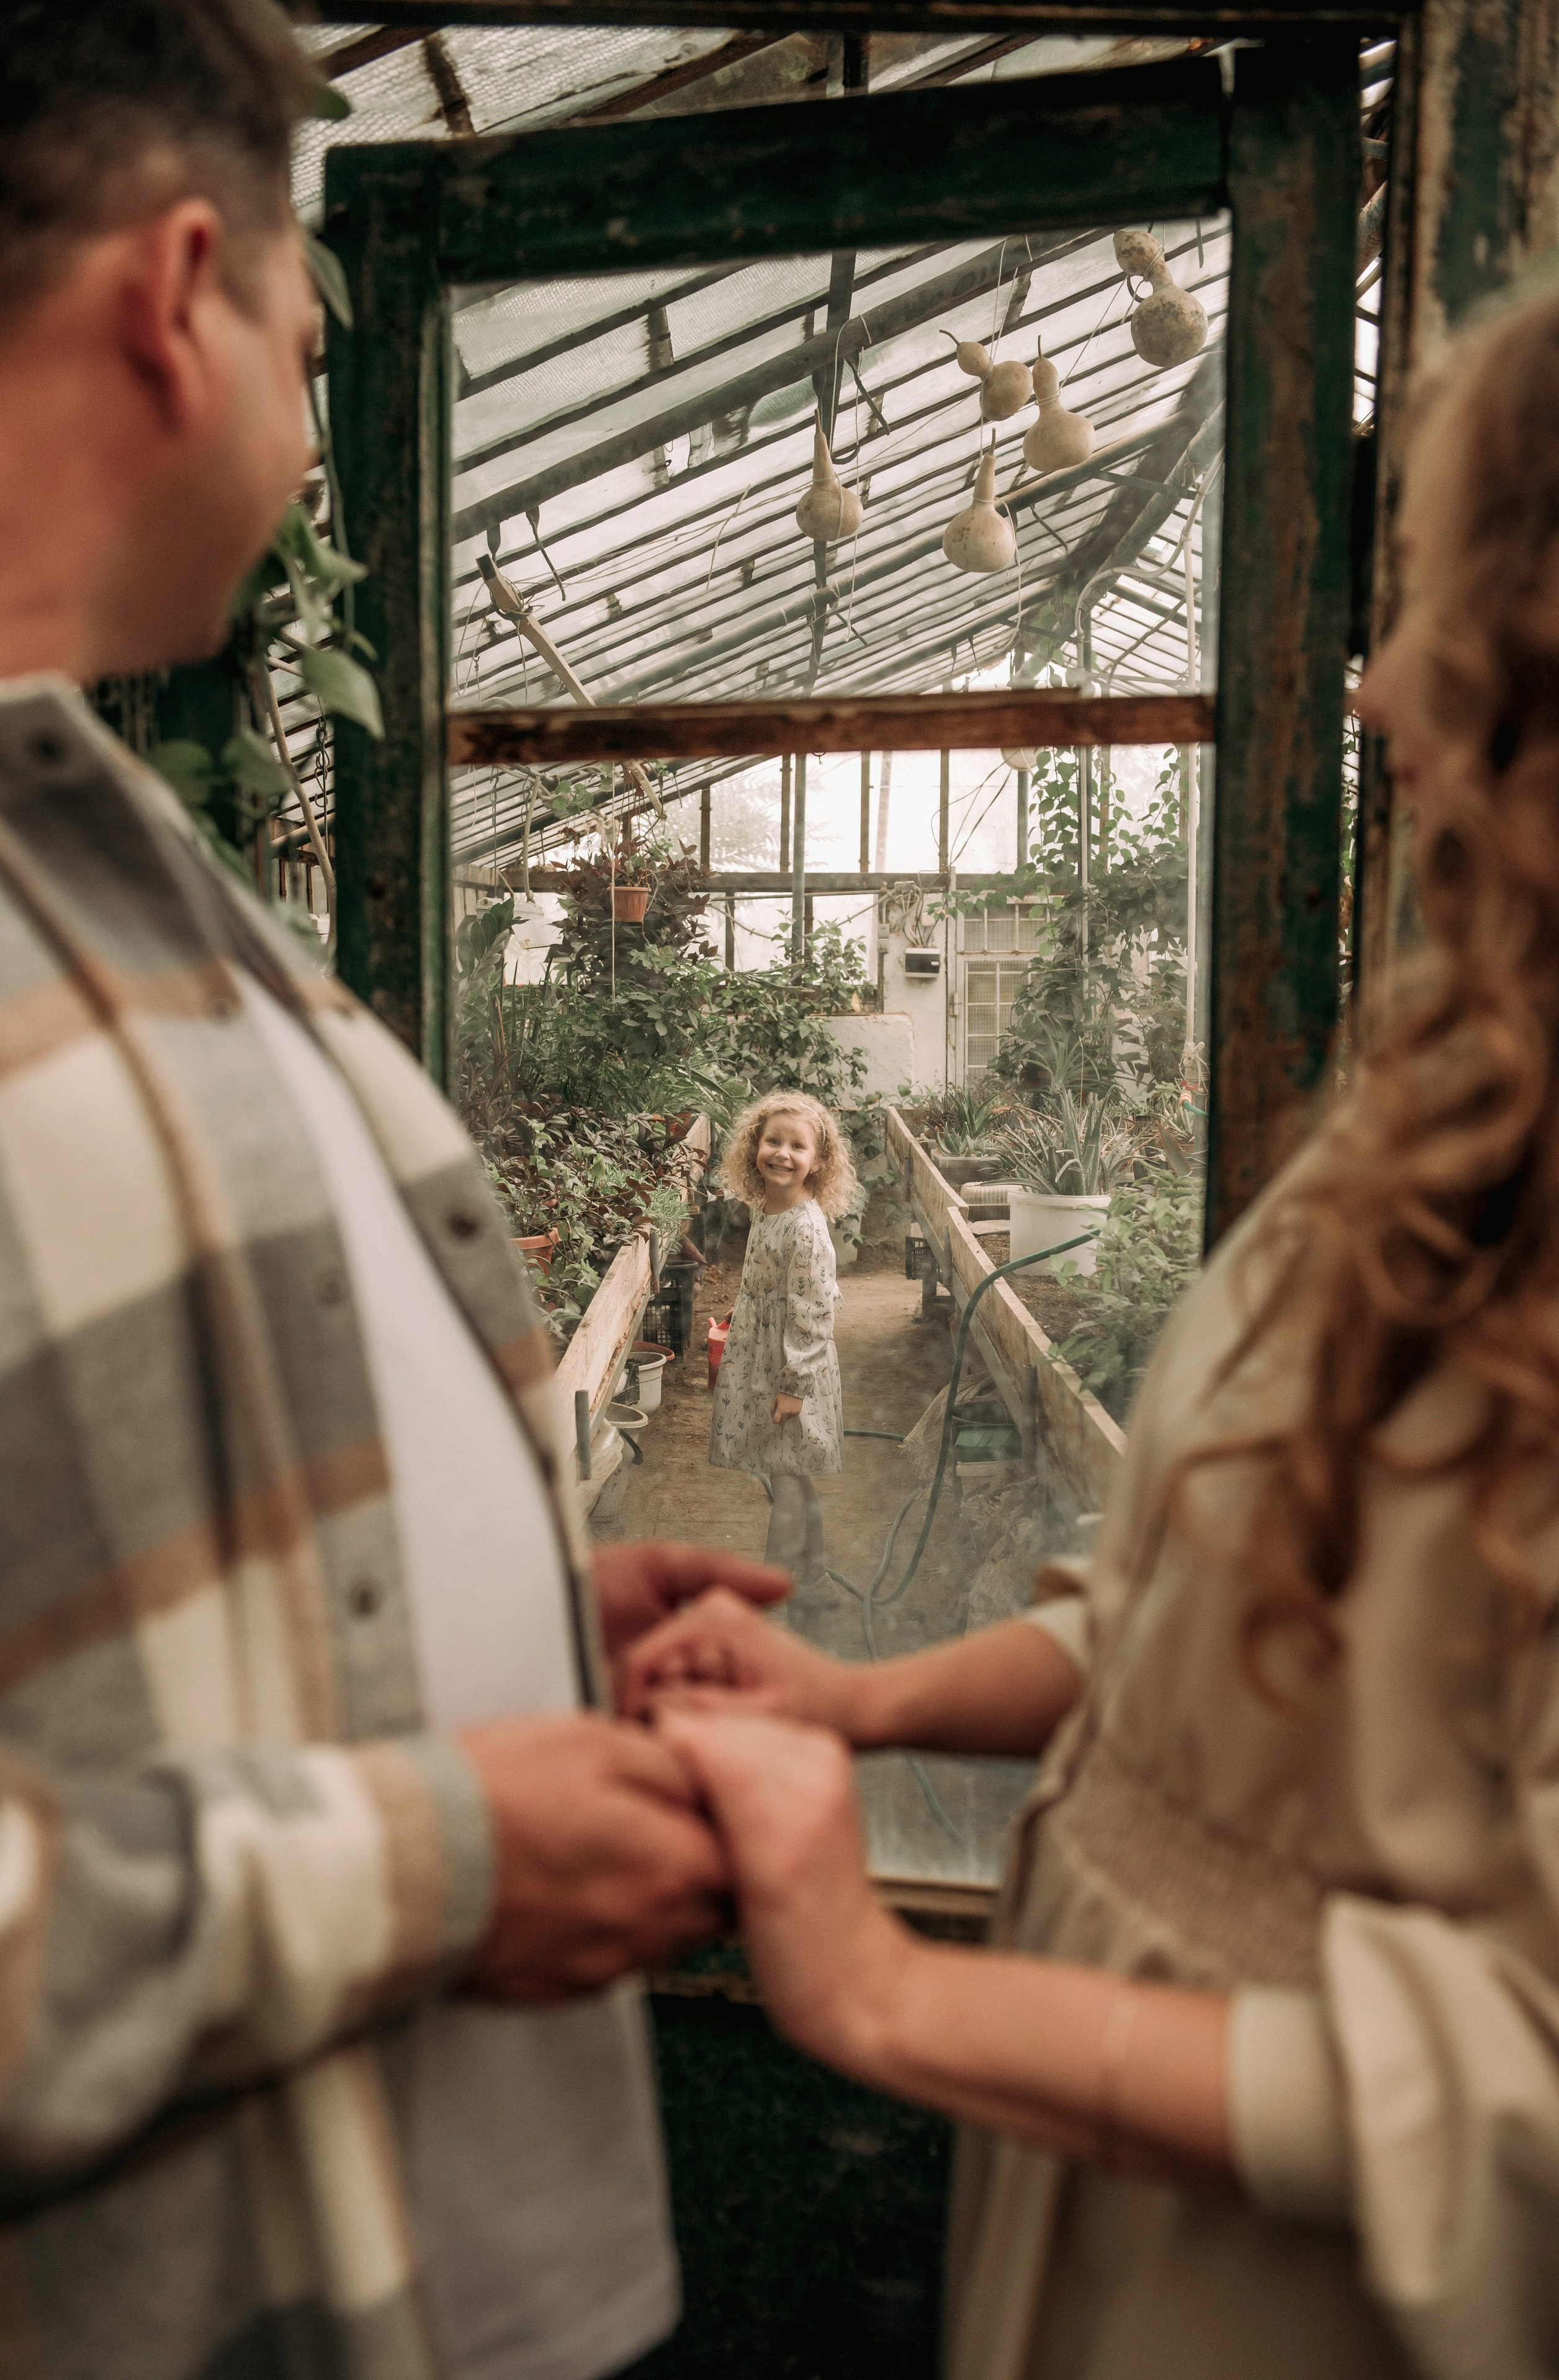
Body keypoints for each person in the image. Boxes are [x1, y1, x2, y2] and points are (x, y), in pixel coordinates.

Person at [620, 280, 1559, 2380]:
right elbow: (1201, 1610)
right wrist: (855, 1704)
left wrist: (880, 1989)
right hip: (1109, 2194)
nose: (1383, 691)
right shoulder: (1424, 1135)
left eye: (1446, 615)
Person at [0, 7, 791, 2378]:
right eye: (312, 352)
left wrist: (487, 1612)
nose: (318, 439)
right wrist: (430, 1852)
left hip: (414, 2271)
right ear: (178, 287)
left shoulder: (97, 832)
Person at [709, 1093, 854, 1596]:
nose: (782, 1154)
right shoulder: (768, 1208)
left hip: (794, 1368)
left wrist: (795, 1387)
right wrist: (743, 1304)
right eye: (773, 1140)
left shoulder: (806, 1227)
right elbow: (769, 1278)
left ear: (818, 1161)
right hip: (766, 1354)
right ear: (755, 1146)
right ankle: (813, 1581)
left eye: (798, 1146)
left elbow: (813, 1314)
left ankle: (771, 1593)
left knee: (787, 1478)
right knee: (788, 1470)